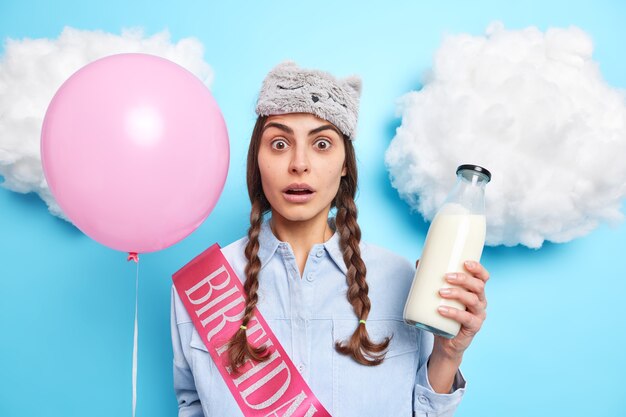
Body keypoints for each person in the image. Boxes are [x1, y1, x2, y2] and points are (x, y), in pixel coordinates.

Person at [170, 61, 490, 417]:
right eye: (279, 143)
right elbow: (193, 407)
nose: (299, 163)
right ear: (256, 161)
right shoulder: (205, 285)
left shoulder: (402, 281)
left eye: (322, 143)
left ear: (344, 164)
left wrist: (448, 354)